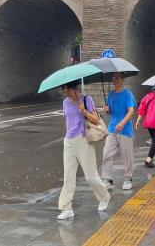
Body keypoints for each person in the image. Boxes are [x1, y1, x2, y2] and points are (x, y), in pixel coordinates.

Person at [56, 80, 111, 220]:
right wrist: (67, 134)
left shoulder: (87, 100)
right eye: (64, 89)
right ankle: (66, 208)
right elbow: (67, 120)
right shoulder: (65, 102)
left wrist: (84, 111)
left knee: (90, 176)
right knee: (68, 177)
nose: (65, 92)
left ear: (75, 88)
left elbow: (96, 121)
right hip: (68, 141)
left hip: (83, 140)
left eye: (67, 89)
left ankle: (104, 197)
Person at [102, 72, 137, 190]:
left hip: (125, 130)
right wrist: (107, 110)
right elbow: (110, 111)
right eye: (114, 77)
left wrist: (122, 123)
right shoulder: (111, 94)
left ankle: (128, 178)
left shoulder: (128, 94)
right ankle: (108, 179)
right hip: (112, 129)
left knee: (127, 156)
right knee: (106, 152)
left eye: (118, 77)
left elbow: (131, 111)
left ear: (123, 79)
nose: (115, 79)